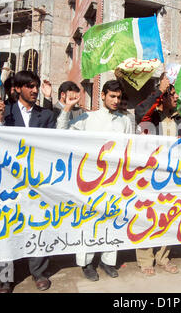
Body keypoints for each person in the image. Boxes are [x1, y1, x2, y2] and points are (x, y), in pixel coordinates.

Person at [57, 79, 131, 281]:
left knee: (111, 220)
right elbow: (61, 132)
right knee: (89, 221)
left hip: (115, 180)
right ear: (103, 95)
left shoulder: (125, 121)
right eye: (112, 96)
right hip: (90, 179)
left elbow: (130, 150)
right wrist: (67, 108)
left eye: (119, 97)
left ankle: (108, 261)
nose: (116, 101)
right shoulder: (87, 117)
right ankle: (87, 263)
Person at [0, 70, 55, 292]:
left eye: (36, 86)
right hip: (8, 183)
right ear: (17, 89)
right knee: (7, 229)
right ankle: (5, 278)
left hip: (37, 182)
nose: (35, 90)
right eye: (29, 86)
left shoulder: (46, 115)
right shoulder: (3, 113)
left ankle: (39, 272)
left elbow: (52, 145)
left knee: (39, 226)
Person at [133, 75, 180, 276]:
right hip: (149, 175)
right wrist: (160, 90)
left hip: (170, 176)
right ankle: (145, 259)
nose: (177, 97)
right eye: (173, 93)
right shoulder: (151, 116)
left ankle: (163, 257)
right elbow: (140, 111)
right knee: (147, 216)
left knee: (168, 217)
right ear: (164, 95)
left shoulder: (179, 118)